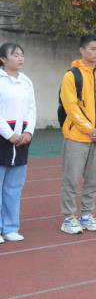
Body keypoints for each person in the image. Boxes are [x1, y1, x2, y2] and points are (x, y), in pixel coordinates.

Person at [59, 34, 96, 235]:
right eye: (92, 49)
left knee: (93, 180)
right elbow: (71, 106)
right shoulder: (71, 76)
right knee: (71, 179)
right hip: (77, 136)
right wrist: (90, 129)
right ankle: (68, 217)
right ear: (82, 50)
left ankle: (87, 214)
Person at [0, 43, 36, 243]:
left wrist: (28, 131)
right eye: (15, 55)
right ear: (3, 59)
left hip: (22, 139)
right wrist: (8, 134)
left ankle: (11, 227)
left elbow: (32, 109)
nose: (20, 58)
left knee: (14, 187)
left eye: (22, 54)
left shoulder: (26, 81)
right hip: (3, 136)